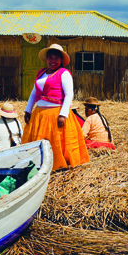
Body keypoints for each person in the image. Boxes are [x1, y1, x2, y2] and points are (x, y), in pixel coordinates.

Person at [22, 43, 90, 171]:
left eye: (56, 58)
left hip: (56, 113)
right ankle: (39, 163)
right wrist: (28, 110)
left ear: (61, 60)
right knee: (40, 141)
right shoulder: (41, 73)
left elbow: (69, 94)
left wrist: (63, 115)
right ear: (46, 59)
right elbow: (34, 93)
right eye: (50, 58)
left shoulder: (64, 73)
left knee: (57, 141)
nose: (53, 61)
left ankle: (58, 164)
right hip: (39, 114)